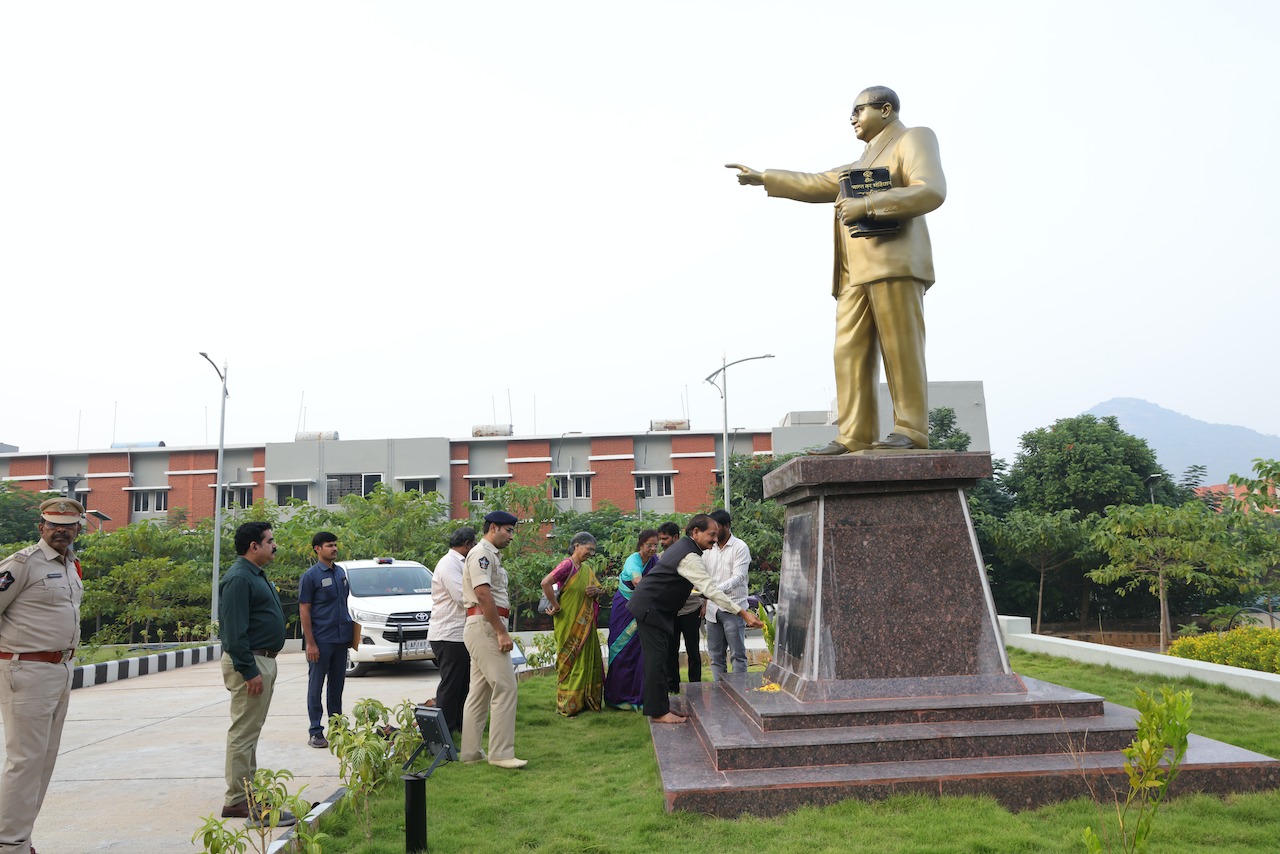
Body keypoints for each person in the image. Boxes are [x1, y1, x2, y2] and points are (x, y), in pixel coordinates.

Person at [727, 85, 946, 452]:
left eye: (858, 110)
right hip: (852, 273)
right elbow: (816, 182)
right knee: (849, 352)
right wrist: (765, 177)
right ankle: (855, 434)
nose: (852, 119)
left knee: (900, 348)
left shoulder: (913, 138)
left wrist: (869, 204)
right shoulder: (860, 163)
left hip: (892, 262)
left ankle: (911, 430)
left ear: (886, 109)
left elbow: (930, 190)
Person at [0, 498, 85, 854]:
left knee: (43, 761)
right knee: (24, 762)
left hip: (60, 669)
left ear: (78, 529)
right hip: (26, 671)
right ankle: (8, 844)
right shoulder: (22, 564)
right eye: (53, 524)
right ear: (41, 527)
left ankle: (21, 839)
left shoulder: (71, 566)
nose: (60, 531)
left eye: (67, 525)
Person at [626, 515, 763, 723]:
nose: (715, 539)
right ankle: (658, 712)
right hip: (650, 608)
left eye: (716, 535)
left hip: (654, 608)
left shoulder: (686, 548)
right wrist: (743, 613)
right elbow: (710, 590)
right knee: (656, 661)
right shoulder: (689, 555)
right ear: (696, 532)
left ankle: (661, 706)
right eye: (711, 534)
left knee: (661, 659)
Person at [218, 521, 296, 826]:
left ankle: (247, 793)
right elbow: (233, 632)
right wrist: (249, 671)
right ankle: (238, 800)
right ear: (254, 546)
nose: (274, 545)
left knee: (250, 732)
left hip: (261, 661)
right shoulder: (239, 578)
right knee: (243, 733)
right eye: (270, 541)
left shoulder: (254, 574)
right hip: (250, 663)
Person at [460, 511, 526, 769]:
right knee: (506, 687)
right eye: (508, 530)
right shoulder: (482, 554)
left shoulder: (489, 555)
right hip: (486, 626)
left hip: (482, 625)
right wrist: (501, 632)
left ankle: (471, 753)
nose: (511, 536)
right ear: (494, 528)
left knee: (479, 692)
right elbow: (483, 594)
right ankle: (501, 754)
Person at [297, 531, 353, 749]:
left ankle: (337, 728)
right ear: (317, 549)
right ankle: (315, 731)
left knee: (337, 686)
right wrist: (310, 643)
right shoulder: (310, 576)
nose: (334, 548)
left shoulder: (340, 573)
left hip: (341, 640)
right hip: (321, 640)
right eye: (329, 545)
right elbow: (304, 610)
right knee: (316, 685)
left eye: (335, 545)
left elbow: (343, 605)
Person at [540, 532, 605, 716]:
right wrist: (555, 605)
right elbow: (545, 583)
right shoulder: (567, 565)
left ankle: (585, 701)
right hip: (567, 620)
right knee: (570, 661)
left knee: (586, 662)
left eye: (593, 551)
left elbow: (601, 589)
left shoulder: (586, 569)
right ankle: (568, 705)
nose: (590, 554)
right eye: (588, 549)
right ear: (577, 546)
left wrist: (595, 591)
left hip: (586, 623)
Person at [427, 527, 476, 735]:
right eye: (473, 544)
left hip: (460, 633)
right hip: (449, 634)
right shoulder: (449, 563)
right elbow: (462, 596)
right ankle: (444, 731)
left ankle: (459, 727)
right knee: (451, 684)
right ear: (466, 544)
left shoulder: (461, 562)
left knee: (464, 683)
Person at [604, 529, 658, 710]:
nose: (653, 549)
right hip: (626, 609)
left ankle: (637, 695)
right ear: (641, 544)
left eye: (656, 545)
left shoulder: (654, 561)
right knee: (622, 651)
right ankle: (617, 698)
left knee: (639, 652)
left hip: (643, 608)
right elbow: (637, 581)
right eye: (649, 545)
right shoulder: (633, 560)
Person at [702, 509, 752, 681]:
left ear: (727, 526)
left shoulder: (740, 547)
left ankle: (740, 691)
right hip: (712, 610)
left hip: (734, 608)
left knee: (737, 655)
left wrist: (714, 591)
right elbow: (703, 575)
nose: (713, 533)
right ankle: (719, 691)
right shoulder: (709, 548)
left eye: (716, 529)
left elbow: (739, 577)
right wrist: (704, 601)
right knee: (715, 657)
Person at [658, 521, 703, 692]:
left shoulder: (691, 557)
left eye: (665, 538)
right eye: (660, 539)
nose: (662, 542)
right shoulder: (660, 558)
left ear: (676, 538)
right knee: (671, 650)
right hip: (670, 612)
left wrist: (704, 603)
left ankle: (696, 685)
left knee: (693, 650)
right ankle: (672, 687)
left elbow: (703, 582)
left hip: (691, 609)